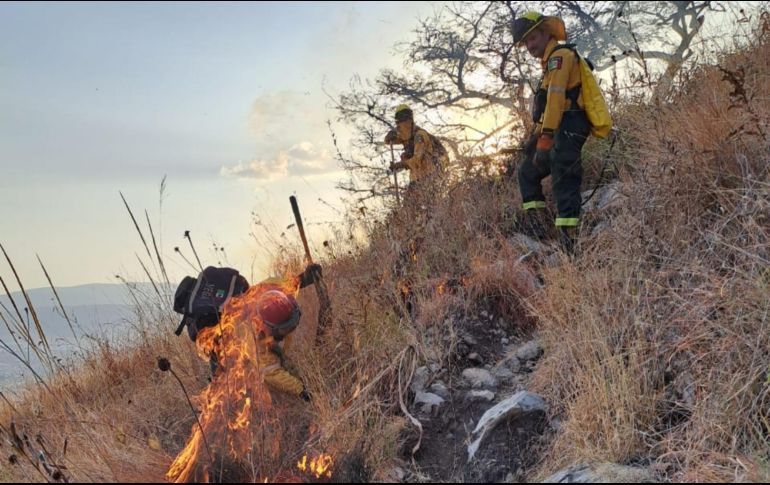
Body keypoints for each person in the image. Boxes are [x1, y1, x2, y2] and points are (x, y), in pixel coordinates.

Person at [511, 12, 592, 253]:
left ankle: (570, 244)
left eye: (533, 39)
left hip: (571, 123)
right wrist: (535, 138)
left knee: (562, 172)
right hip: (556, 127)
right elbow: (547, 108)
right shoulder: (548, 65)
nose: (530, 46)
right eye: (526, 43)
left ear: (547, 33)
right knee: (527, 171)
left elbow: (556, 101)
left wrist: (545, 138)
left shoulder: (561, 58)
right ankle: (539, 231)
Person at [385, 104, 449, 187]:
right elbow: (389, 141)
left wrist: (401, 164)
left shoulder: (419, 136)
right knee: (410, 200)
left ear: (408, 121)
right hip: (417, 178)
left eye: (400, 123)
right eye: (397, 123)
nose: (398, 127)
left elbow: (417, 160)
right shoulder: (408, 137)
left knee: (420, 199)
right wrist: (389, 137)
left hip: (430, 176)